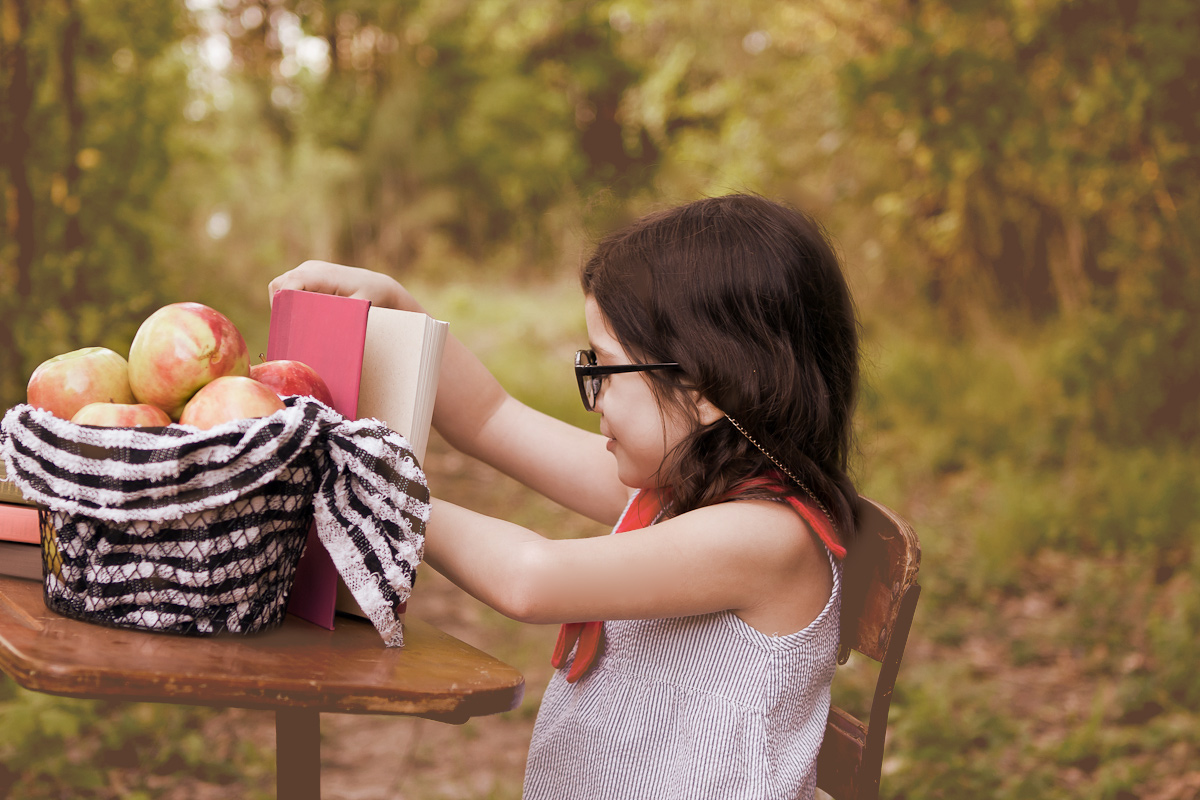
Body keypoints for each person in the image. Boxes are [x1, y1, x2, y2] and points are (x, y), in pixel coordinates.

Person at [268, 193, 862, 799]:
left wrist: (364, 485)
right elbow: (490, 419)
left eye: (604, 368)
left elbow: (531, 579)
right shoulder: (678, 493)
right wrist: (401, 312)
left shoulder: (766, 540)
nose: (596, 396)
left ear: (704, 387)